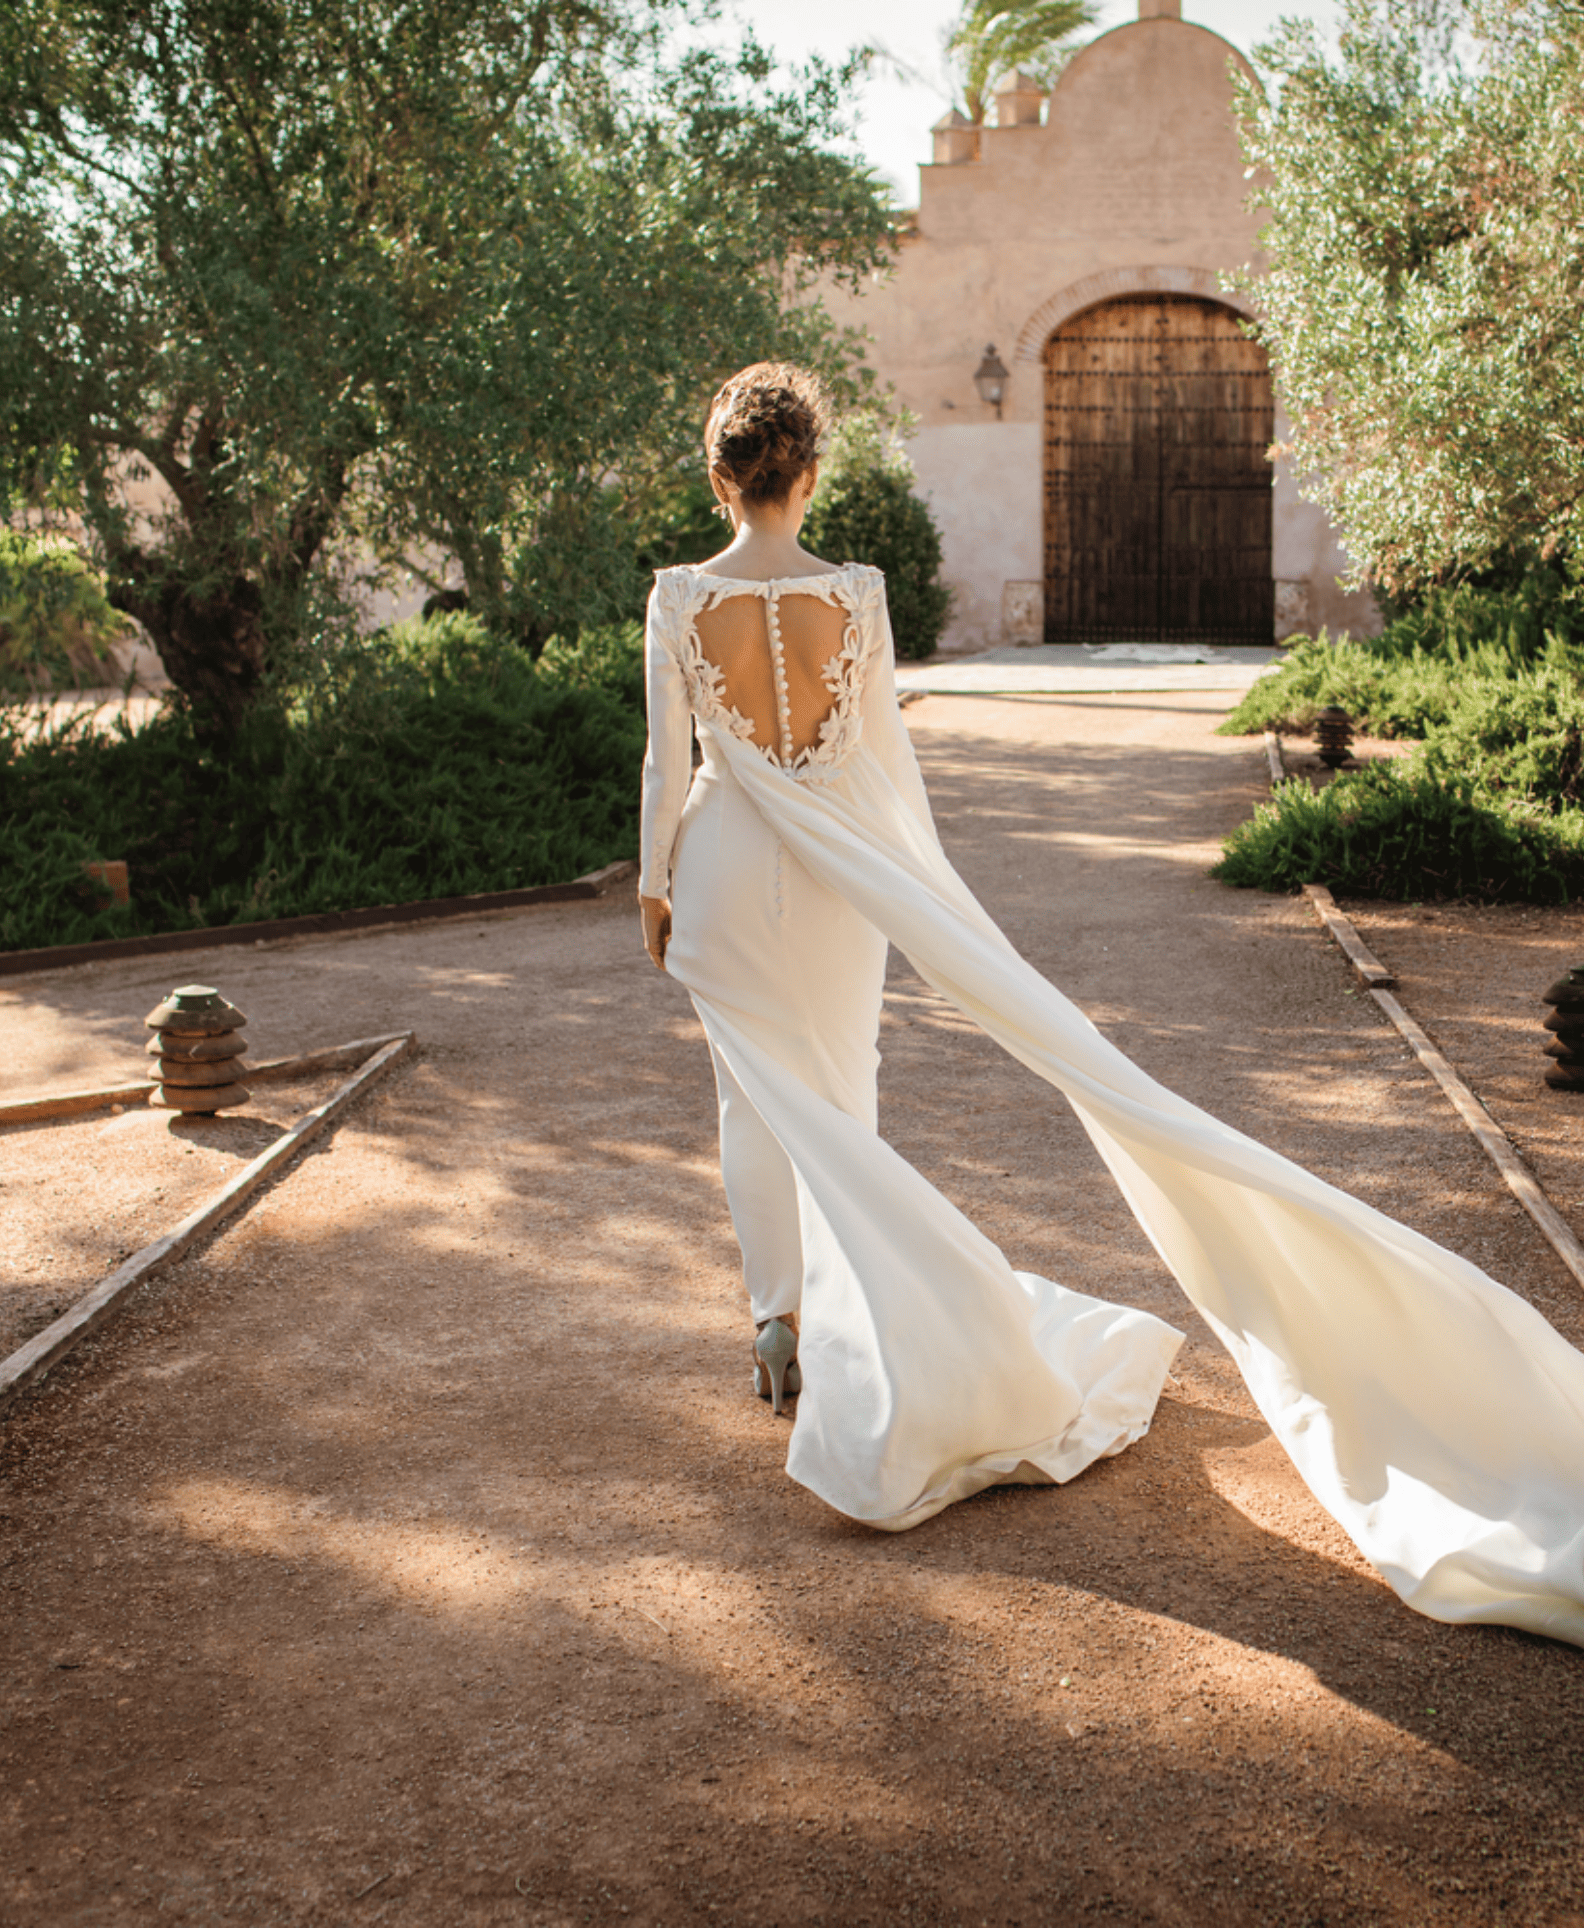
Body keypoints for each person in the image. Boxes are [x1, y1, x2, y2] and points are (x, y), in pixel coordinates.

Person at [638, 361, 1584, 1646]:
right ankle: (858, 1326)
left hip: (728, 868)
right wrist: (919, 890)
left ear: (720, 476)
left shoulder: (679, 597)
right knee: (844, 1085)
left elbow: (668, 756)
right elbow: (879, 760)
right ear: (809, 475)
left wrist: (654, 885)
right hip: (846, 880)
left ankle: (779, 1324)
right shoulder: (855, 595)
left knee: (754, 1094)